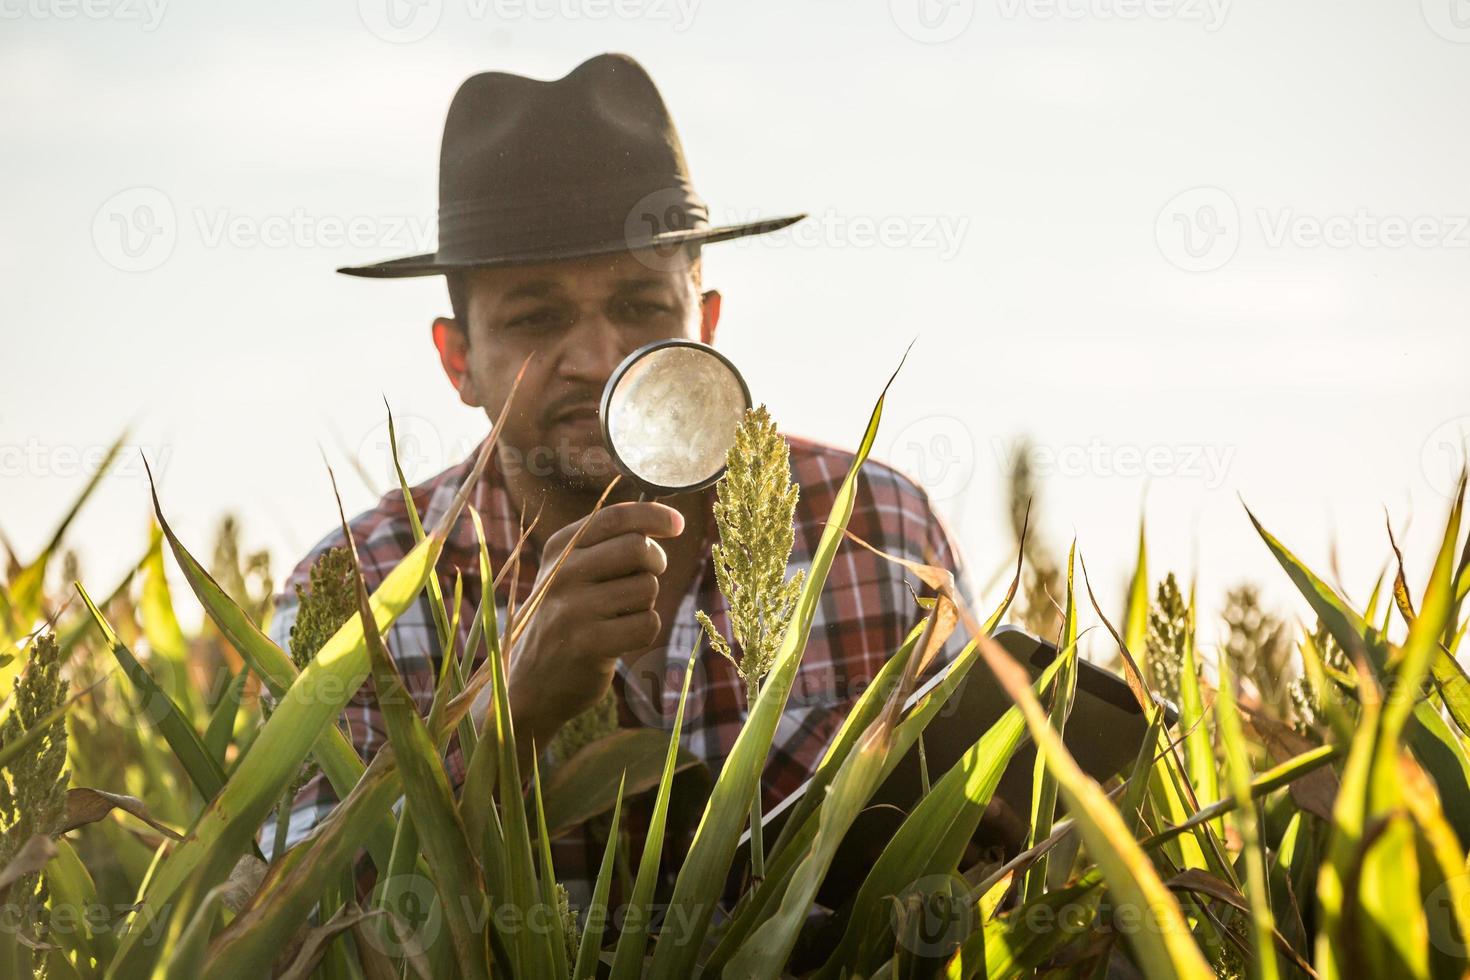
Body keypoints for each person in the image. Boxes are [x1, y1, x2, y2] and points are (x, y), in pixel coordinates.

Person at [262, 53, 976, 910]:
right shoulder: (360, 593)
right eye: (537, 318)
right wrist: (504, 722)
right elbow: (302, 926)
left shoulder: (878, 530)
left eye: (641, 307)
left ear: (704, 323)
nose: (602, 362)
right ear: (459, 361)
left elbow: (992, 843)